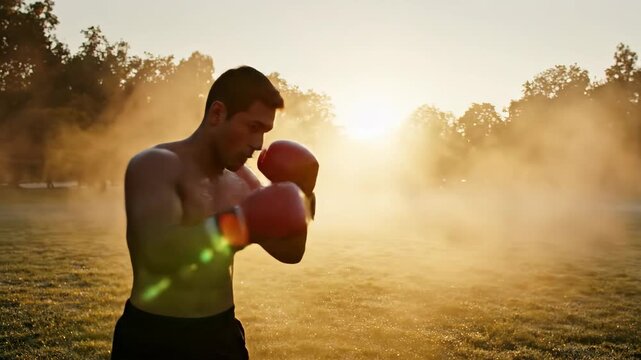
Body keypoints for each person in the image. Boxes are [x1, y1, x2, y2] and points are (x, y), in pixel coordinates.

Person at [110, 66, 319, 359]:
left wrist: (303, 192)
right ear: (218, 114)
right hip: (154, 337)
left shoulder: (243, 181)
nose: (259, 145)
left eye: (265, 132)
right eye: (253, 127)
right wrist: (243, 221)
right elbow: (158, 251)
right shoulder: (155, 164)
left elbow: (290, 253)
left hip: (221, 336)